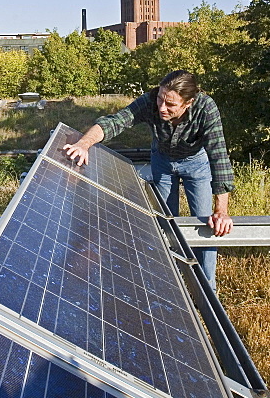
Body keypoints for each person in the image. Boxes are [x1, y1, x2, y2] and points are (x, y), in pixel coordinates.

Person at [63, 70, 234, 288]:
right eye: (161, 99)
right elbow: (115, 122)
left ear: (188, 103)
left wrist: (221, 212)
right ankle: (169, 283)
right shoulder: (151, 101)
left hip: (196, 163)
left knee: (204, 224)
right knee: (163, 223)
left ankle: (207, 287)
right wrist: (84, 143)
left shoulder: (206, 108)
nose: (162, 107)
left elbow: (218, 156)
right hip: (161, 159)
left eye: (170, 104)